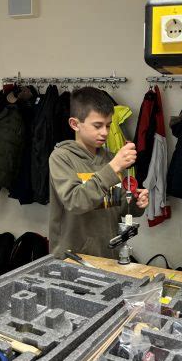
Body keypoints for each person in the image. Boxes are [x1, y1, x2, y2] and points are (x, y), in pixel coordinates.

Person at [49, 87, 149, 258]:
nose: (105, 132)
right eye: (97, 125)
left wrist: (136, 203)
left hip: (108, 256)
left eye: (108, 125)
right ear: (75, 124)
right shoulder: (62, 157)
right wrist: (113, 168)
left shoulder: (112, 159)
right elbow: (76, 202)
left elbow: (120, 209)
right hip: (72, 259)